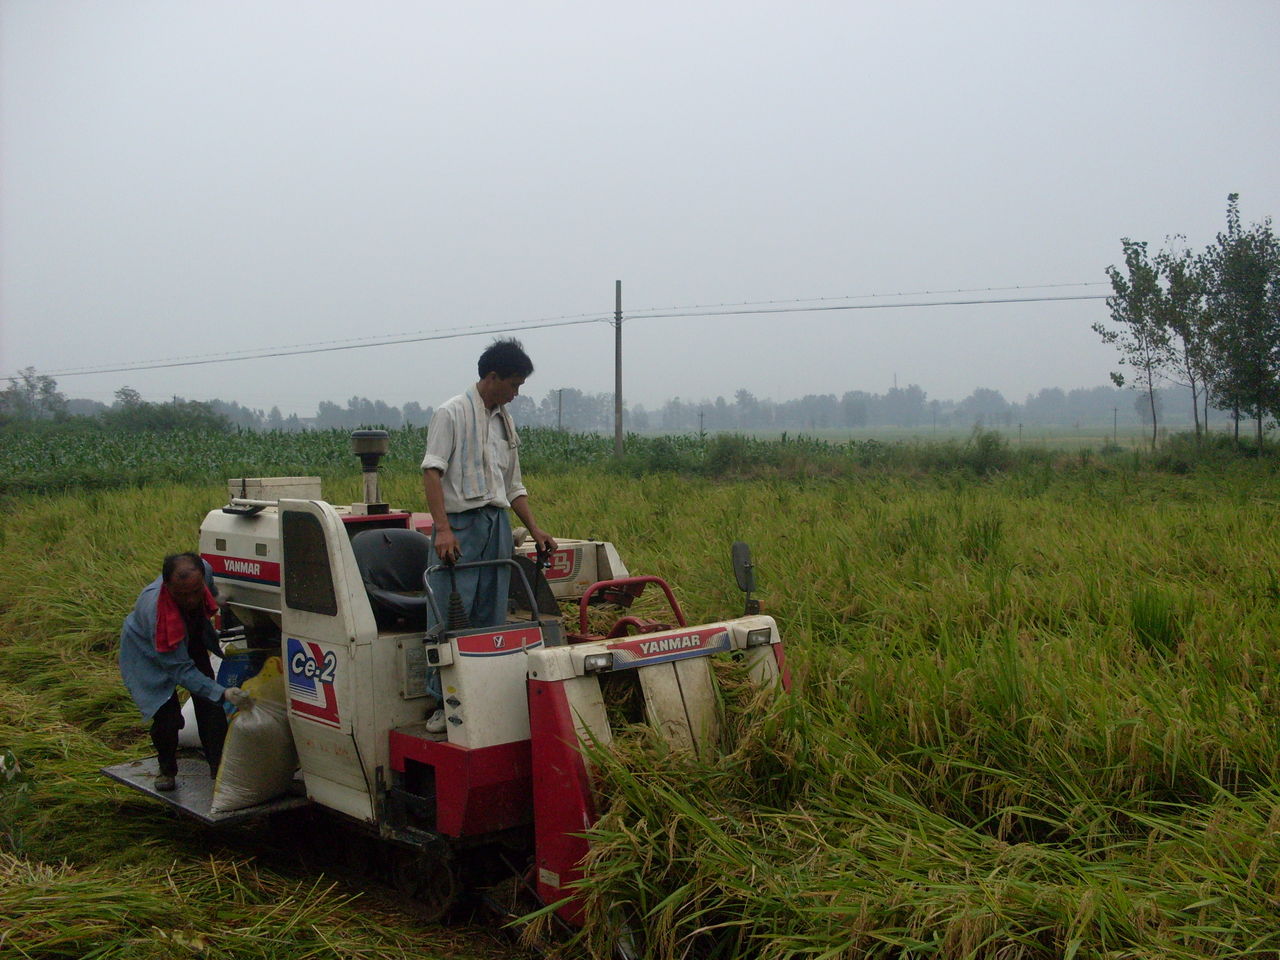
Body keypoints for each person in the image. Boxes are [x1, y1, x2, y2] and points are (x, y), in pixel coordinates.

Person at [420, 338, 557, 730]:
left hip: (496, 523)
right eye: (513, 385)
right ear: (492, 377)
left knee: (490, 612)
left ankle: (480, 696)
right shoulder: (451, 413)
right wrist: (442, 528)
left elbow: (513, 483)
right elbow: (432, 471)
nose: (516, 394)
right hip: (459, 526)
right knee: (449, 613)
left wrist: (535, 528)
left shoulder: (504, 421)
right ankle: (441, 704)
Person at [119, 552, 249, 791]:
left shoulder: (204, 571)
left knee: (210, 706)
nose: (191, 600)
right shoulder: (156, 613)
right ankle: (167, 768)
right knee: (167, 717)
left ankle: (219, 768)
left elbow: (208, 583)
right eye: (182, 595)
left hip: (189, 637)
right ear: (166, 586)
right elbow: (181, 670)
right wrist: (224, 693)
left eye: (196, 591)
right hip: (150, 651)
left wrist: (216, 597)